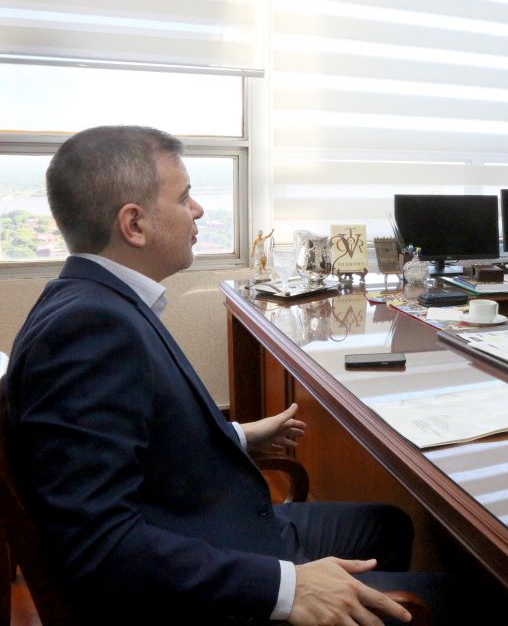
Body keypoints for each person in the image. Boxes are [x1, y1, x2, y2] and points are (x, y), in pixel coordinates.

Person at [3, 126, 431, 624]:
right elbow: (101, 549)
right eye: (184, 197)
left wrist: (236, 435)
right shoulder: (89, 329)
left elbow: (136, 438)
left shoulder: (90, 300)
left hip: (212, 525)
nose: (199, 210)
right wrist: (288, 588)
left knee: (388, 525)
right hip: (216, 566)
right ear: (134, 224)